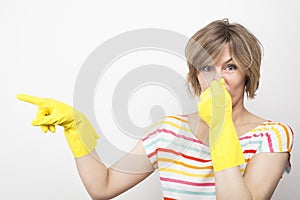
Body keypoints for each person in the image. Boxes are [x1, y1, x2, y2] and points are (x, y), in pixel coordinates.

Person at [17, 19, 294, 200]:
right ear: (196, 75)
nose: (217, 79)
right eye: (207, 67)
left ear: (248, 73)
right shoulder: (168, 130)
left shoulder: (272, 136)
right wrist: (76, 126)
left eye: (230, 67)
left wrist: (220, 127)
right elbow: (102, 187)